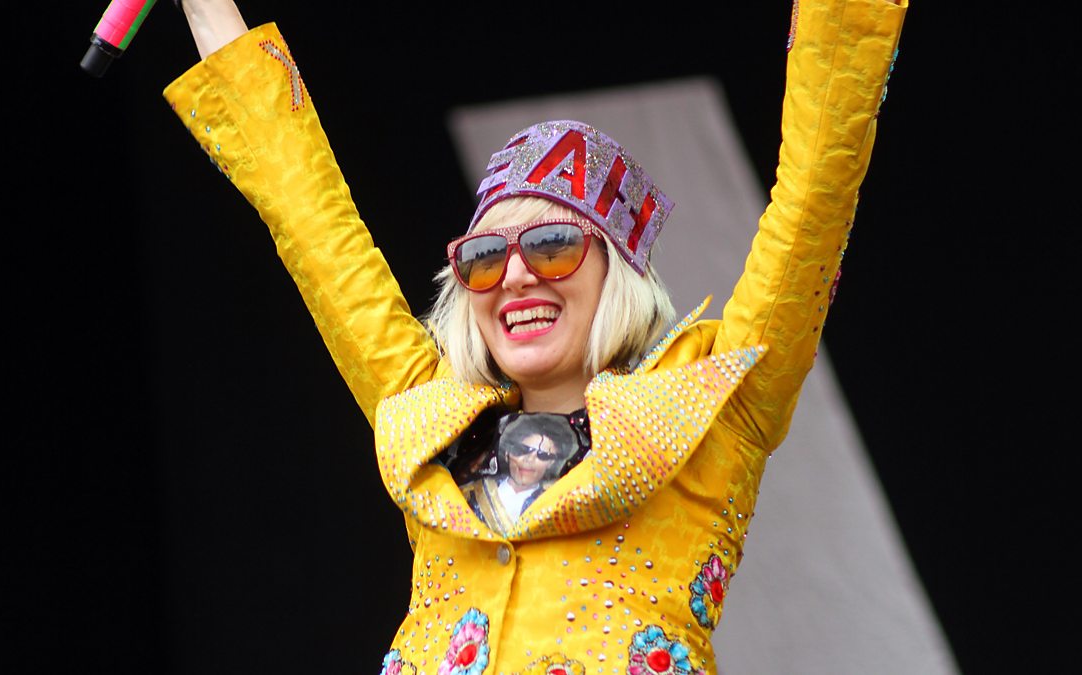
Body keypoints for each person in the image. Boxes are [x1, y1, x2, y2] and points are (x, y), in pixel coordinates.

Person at [164, 0, 908, 672]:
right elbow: (310, 222)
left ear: (615, 273)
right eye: (485, 258)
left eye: (552, 246)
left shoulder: (714, 408)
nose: (516, 276)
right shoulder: (429, 420)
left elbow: (814, 195)